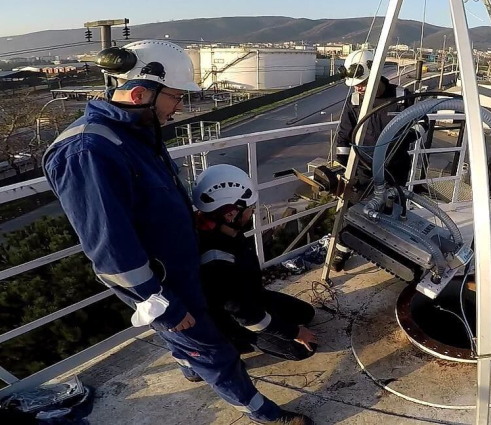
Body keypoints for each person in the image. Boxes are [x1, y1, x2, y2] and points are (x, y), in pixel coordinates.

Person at [43, 40, 312, 425]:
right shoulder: (89, 151)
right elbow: (109, 247)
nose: (180, 107)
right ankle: (265, 415)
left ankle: (188, 362)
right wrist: (158, 301)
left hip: (178, 270)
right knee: (215, 352)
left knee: (190, 340)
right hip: (161, 284)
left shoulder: (135, 133)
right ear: (141, 93)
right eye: (175, 97)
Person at [185, 164, 318, 369]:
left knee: (306, 314)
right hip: (233, 319)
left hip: (251, 295)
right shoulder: (216, 261)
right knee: (301, 349)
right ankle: (234, 343)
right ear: (230, 214)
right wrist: (293, 333)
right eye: (249, 208)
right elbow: (245, 314)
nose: (253, 210)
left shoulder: (226, 232)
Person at [330, 49, 418, 271]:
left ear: (376, 74)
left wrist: (408, 136)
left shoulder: (401, 96)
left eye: (362, 82)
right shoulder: (355, 100)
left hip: (394, 168)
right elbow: (344, 135)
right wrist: (343, 166)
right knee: (353, 211)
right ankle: (343, 250)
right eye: (355, 84)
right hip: (364, 169)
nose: (358, 87)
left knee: (393, 211)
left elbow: (421, 123)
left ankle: (391, 253)